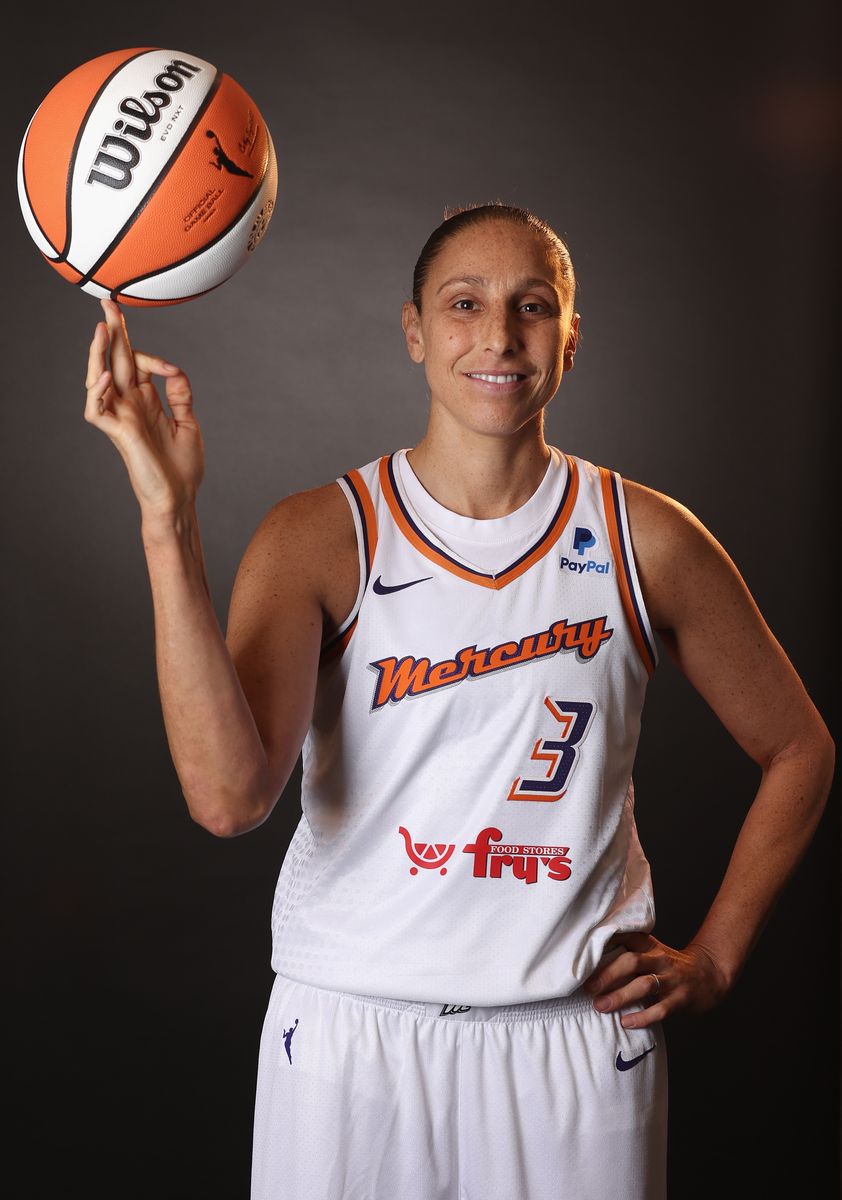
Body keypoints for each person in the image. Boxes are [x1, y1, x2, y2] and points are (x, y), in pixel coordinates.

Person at [83, 202, 834, 1200]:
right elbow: (228, 799)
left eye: (531, 307)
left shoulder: (644, 537)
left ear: (570, 337)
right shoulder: (321, 532)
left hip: (567, 1042)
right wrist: (165, 515)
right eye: (463, 304)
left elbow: (797, 747)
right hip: (353, 1034)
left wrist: (715, 959)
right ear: (412, 331)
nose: (496, 336)